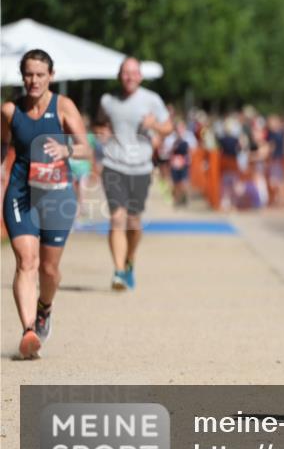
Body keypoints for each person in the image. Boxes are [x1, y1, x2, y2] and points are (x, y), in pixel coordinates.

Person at [2, 49, 92, 358]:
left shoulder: (63, 106)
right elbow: (3, 142)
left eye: (40, 74)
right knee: (26, 262)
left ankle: (45, 307)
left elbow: (86, 148)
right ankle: (29, 331)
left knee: (49, 270)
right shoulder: (10, 111)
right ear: (22, 76)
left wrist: (67, 150)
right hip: (20, 193)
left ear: (51, 76)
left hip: (56, 195)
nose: (34, 80)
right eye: (28, 74)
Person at [97, 57, 173, 290]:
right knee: (117, 218)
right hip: (114, 164)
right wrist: (101, 131)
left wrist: (154, 125)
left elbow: (169, 127)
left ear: (140, 76)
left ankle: (130, 258)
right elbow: (99, 123)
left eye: (133, 73)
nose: (129, 77)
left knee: (133, 222)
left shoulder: (152, 100)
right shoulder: (108, 100)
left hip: (140, 167)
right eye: (125, 72)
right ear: (119, 75)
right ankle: (119, 271)